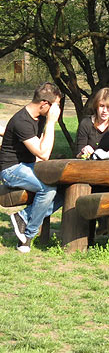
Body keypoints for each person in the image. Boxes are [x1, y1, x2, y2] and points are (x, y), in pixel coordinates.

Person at [0, 82, 63, 253]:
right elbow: (44, 153)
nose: (56, 110)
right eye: (55, 105)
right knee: (48, 189)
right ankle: (28, 234)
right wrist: (51, 123)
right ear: (44, 104)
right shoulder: (22, 121)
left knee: (64, 190)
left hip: (29, 165)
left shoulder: (39, 116)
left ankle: (23, 219)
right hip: (11, 170)